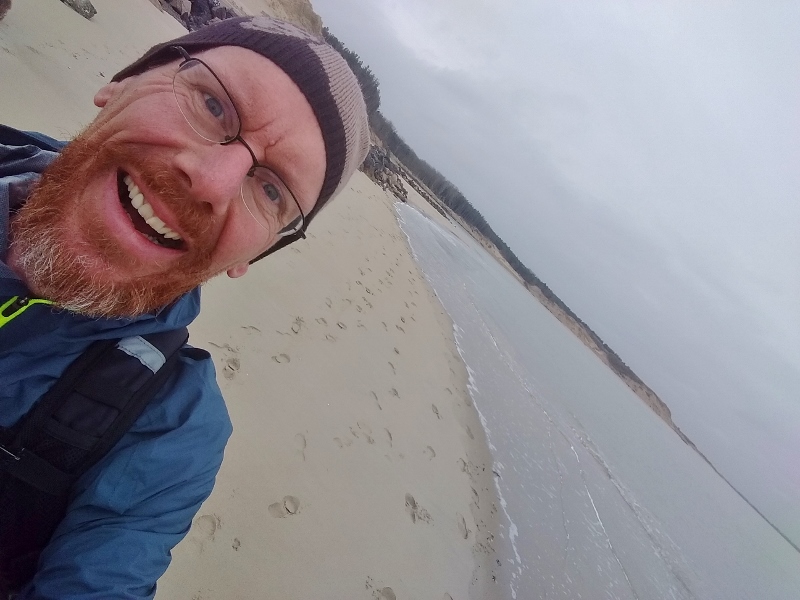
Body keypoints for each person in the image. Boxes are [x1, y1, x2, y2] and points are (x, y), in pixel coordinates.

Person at [0, 15, 369, 598]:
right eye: (214, 106)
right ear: (120, 83)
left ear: (257, 253)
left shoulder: (169, 430)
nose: (212, 183)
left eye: (271, 189)